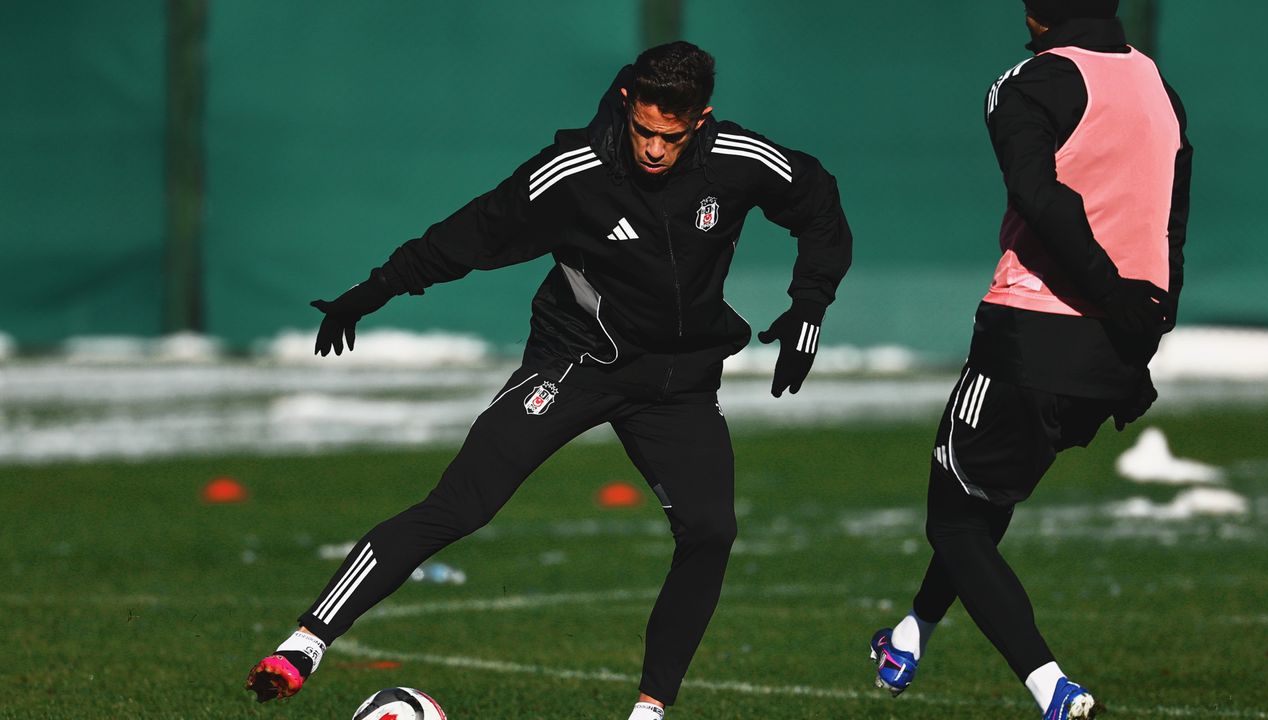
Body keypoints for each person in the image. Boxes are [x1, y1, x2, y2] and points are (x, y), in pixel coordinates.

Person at [245, 41, 852, 719]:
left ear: (701, 121)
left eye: (672, 137)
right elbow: (470, 234)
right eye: (644, 131)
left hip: (677, 384)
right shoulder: (574, 171)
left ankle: (649, 711)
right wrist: (373, 290)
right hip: (575, 363)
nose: (654, 149)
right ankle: (306, 642)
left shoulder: (738, 159)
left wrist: (809, 307)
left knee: (710, 531)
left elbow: (819, 199)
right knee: (462, 504)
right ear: (627, 103)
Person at [866, 2, 1191, 719]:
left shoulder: (1029, 81)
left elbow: (1039, 197)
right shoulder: (1158, 86)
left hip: (1032, 333)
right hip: (1116, 347)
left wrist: (1108, 291)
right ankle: (912, 633)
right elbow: (1173, 217)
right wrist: (1149, 322)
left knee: (954, 522)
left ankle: (1052, 688)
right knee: (985, 500)